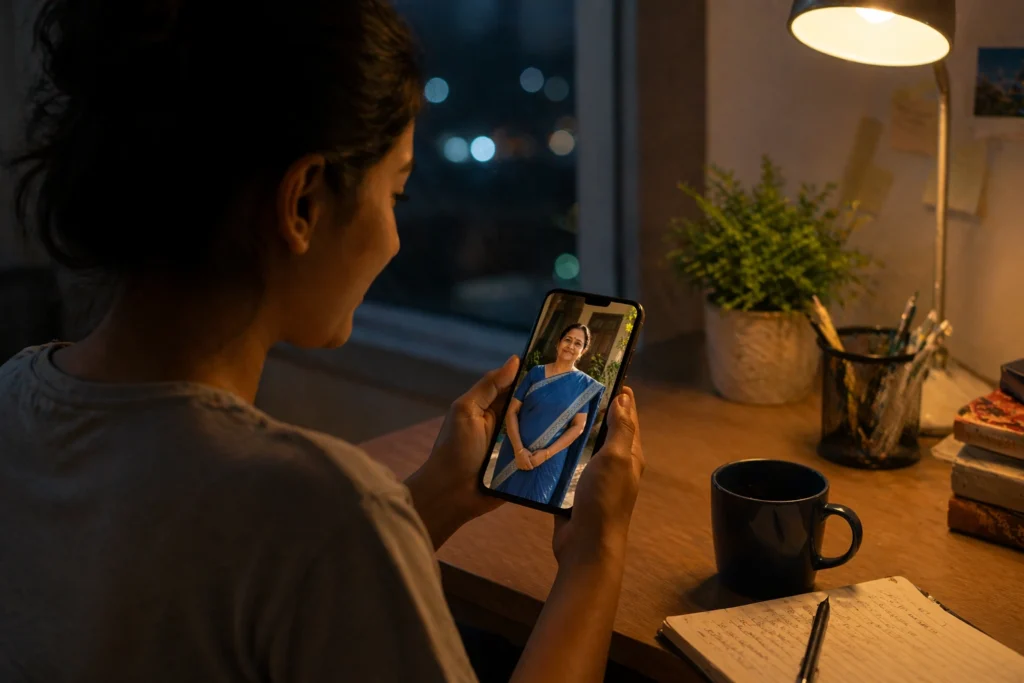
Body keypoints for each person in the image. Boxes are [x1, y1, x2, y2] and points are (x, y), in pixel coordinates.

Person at [0, 1, 645, 682]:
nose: (395, 239)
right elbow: (310, 545)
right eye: (395, 193)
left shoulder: (13, 398)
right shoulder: (321, 509)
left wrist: (438, 495)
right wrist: (595, 554)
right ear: (304, 203)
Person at [492, 324, 605, 506]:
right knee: (497, 505)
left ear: (583, 351)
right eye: (568, 340)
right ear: (558, 343)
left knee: (533, 510)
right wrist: (519, 450)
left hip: (549, 460)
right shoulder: (536, 373)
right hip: (513, 451)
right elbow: (512, 411)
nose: (570, 346)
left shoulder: (583, 385)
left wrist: (545, 454)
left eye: (578, 343)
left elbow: (578, 426)